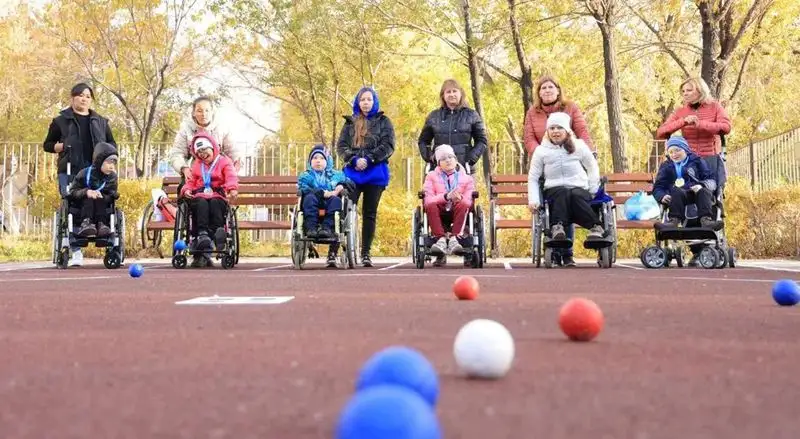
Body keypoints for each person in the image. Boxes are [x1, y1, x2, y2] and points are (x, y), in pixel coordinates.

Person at [657, 76, 731, 265]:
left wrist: (699, 123)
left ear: (699, 90)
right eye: (683, 91)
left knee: (706, 195)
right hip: (686, 159)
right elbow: (662, 131)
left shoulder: (714, 107)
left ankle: (706, 243)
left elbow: (725, 127)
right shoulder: (681, 111)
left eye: (689, 90)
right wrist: (683, 122)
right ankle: (695, 248)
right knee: (683, 198)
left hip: (709, 158)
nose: (685, 94)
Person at [43, 82, 117, 266]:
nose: (84, 99)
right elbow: (47, 144)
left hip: (95, 172)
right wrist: (60, 147)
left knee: (99, 200)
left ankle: (104, 233)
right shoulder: (61, 120)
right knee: (72, 203)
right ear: (72, 97)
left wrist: (108, 159)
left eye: (88, 96)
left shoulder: (101, 121)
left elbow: (112, 144)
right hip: (70, 169)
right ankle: (75, 251)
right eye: (80, 95)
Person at [523, 75, 594, 266]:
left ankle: (567, 252)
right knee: (557, 195)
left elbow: (582, 130)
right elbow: (529, 137)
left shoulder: (570, 108)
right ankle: (554, 249)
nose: (547, 91)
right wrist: (541, 153)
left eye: (550, 87)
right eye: (543, 88)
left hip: (570, 155)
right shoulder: (532, 112)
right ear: (539, 93)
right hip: (546, 160)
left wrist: (584, 151)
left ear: (557, 90)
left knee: (570, 193)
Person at [527, 112, 604, 267]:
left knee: (574, 193)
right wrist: (534, 199)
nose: (555, 131)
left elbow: (592, 167)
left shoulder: (579, 146)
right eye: (552, 128)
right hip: (554, 190)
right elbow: (533, 177)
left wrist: (593, 188)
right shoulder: (541, 151)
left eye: (559, 128)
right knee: (562, 192)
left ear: (567, 130)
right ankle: (557, 227)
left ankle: (595, 227)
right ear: (547, 131)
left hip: (579, 189)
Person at [337, 87, 395, 267]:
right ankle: (336, 250)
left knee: (370, 213)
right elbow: (341, 146)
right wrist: (353, 159)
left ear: (374, 101)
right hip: (353, 173)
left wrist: (370, 159)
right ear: (357, 102)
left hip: (375, 172)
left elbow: (389, 145)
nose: (366, 103)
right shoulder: (349, 123)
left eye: (369, 99)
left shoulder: (384, 122)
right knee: (344, 210)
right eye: (362, 100)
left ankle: (366, 253)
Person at [179, 133, 239, 268]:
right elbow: (191, 181)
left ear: (212, 148)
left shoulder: (224, 161)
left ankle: (219, 233)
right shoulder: (196, 165)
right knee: (200, 203)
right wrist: (187, 190)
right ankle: (202, 234)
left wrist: (232, 188)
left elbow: (231, 176)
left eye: (204, 149)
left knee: (216, 204)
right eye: (198, 151)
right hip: (200, 194)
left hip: (217, 194)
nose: (202, 154)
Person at [297, 145, 350, 268]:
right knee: (308, 198)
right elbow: (304, 188)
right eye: (315, 158)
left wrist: (341, 186)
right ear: (310, 162)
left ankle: (326, 228)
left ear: (328, 161)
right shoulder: (306, 176)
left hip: (330, 202)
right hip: (314, 200)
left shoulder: (336, 175)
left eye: (321, 158)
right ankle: (311, 229)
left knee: (336, 201)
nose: (318, 161)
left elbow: (349, 183)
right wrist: (322, 193)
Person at [418, 79, 488, 171]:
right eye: (448, 92)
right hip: (438, 170)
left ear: (460, 93)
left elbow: (482, 140)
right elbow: (423, 141)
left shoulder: (472, 115)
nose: (452, 94)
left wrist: (470, 159)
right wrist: (430, 158)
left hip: (464, 169)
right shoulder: (434, 116)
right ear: (443, 96)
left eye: (454, 91)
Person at [422, 145, 475, 264]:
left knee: (464, 204)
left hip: (458, 210)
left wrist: (459, 198)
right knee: (430, 206)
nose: (448, 160)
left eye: (450, 157)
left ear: (456, 160)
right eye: (443, 158)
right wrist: (446, 196)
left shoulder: (467, 179)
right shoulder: (431, 176)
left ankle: (454, 238)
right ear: (438, 163)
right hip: (439, 210)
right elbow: (428, 201)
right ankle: (440, 239)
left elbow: (469, 202)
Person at [652, 136, 719, 229]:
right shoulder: (666, 166)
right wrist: (661, 196)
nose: (674, 154)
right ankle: (673, 221)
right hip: (678, 196)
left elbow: (711, 180)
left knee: (704, 191)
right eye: (670, 152)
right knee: (676, 191)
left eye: (677, 150)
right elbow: (658, 186)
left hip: (697, 192)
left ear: (685, 149)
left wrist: (702, 185)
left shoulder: (697, 161)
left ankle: (706, 220)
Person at [169, 96, 242, 180]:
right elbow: (177, 153)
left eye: (207, 110)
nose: (204, 114)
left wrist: (236, 161)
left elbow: (233, 150)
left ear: (212, 112)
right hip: (197, 173)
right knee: (185, 186)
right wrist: (184, 168)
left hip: (219, 172)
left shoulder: (222, 128)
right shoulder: (186, 129)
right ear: (193, 113)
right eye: (199, 111)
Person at [67, 143, 119, 239]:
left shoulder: (112, 177)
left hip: (102, 207)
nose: (112, 167)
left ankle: (101, 224)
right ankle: (86, 223)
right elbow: (73, 192)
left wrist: (103, 196)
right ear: (99, 161)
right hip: (83, 206)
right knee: (89, 198)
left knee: (100, 198)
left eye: (114, 163)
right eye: (109, 162)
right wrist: (87, 192)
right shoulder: (84, 173)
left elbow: (112, 195)